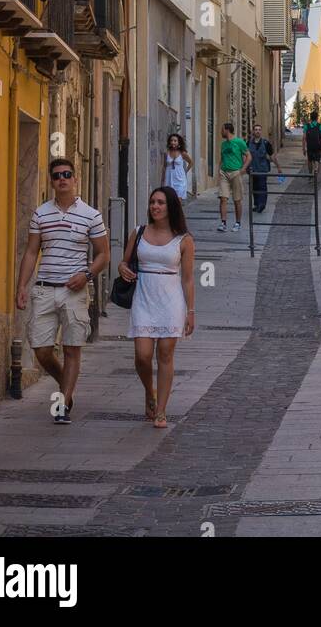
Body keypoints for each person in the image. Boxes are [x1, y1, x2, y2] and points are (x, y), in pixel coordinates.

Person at [15, 157, 110, 424]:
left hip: (74, 292)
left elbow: (104, 254)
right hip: (44, 289)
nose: (62, 179)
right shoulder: (41, 213)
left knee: (71, 350)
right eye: (57, 175)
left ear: (75, 178)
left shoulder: (91, 215)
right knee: (41, 350)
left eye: (67, 174)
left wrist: (87, 274)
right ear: (52, 181)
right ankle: (65, 383)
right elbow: (32, 251)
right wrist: (22, 285)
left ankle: (62, 404)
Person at [118, 186, 195, 429]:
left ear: (171, 206)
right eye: (153, 202)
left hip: (170, 300)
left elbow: (188, 278)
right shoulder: (139, 232)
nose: (155, 206)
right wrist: (122, 268)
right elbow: (124, 262)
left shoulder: (184, 239)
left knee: (165, 354)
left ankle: (161, 410)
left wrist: (190, 311)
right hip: (143, 298)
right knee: (142, 356)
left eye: (161, 202)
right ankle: (148, 390)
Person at [218, 123, 250, 232]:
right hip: (224, 173)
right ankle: (223, 223)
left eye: (222, 130)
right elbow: (222, 158)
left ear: (227, 130)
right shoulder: (223, 144)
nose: (221, 132)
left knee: (237, 199)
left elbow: (249, 156)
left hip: (236, 172)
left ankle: (238, 223)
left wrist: (243, 168)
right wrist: (219, 170)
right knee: (223, 198)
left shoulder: (239, 142)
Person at [248, 122, 276, 213]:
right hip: (252, 169)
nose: (257, 131)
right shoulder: (248, 143)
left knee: (262, 187)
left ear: (261, 132)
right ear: (253, 131)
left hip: (262, 170)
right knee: (254, 188)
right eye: (256, 130)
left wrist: (278, 166)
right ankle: (256, 204)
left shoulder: (266, 143)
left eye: (259, 130)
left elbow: (271, 155)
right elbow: (245, 155)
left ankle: (262, 204)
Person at [161, 132, 192, 200]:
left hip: (180, 178)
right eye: (171, 140)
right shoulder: (166, 153)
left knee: (178, 199)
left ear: (178, 142)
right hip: (169, 177)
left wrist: (185, 171)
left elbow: (191, 162)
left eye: (175, 141)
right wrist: (162, 179)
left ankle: (179, 211)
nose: (173, 142)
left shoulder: (182, 153)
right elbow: (164, 166)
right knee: (169, 199)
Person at [302, 109, 321, 176]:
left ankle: (310, 175)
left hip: (310, 146)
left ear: (310, 118)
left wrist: (303, 148)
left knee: (309, 161)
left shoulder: (306, 126)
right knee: (317, 161)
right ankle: (316, 173)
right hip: (318, 146)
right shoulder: (320, 126)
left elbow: (304, 138)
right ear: (317, 117)